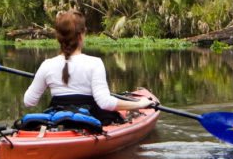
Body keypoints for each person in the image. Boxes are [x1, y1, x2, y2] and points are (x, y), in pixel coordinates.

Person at [23, 9, 155, 123]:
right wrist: (139, 104)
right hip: (89, 119)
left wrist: (49, 82)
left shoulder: (47, 65)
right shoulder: (94, 63)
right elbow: (105, 103)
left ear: (58, 37)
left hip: (59, 119)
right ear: (81, 35)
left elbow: (29, 102)